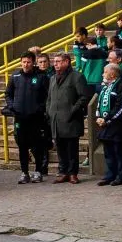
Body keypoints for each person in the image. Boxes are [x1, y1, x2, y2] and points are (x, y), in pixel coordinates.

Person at [3, 51, 50, 184]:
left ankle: (38, 171)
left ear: (33, 62)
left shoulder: (41, 76)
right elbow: (8, 94)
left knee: (37, 146)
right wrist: (12, 106)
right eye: (24, 62)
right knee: (22, 146)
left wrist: (40, 108)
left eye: (28, 62)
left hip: (36, 118)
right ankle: (24, 172)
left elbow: (48, 95)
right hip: (20, 118)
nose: (26, 64)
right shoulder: (15, 76)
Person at [46, 51, 91, 183]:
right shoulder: (53, 78)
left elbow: (84, 97)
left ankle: (73, 173)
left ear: (66, 62)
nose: (56, 64)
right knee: (60, 147)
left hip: (71, 119)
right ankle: (63, 171)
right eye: (54, 62)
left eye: (58, 62)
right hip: (56, 119)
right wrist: (49, 110)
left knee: (72, 148)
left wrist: (73, 110)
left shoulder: (77, 77)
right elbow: (49, 98)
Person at [93, 63, 122, 185]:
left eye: (105, 72)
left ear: (112, 74)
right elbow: (99, 104)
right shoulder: (105, 87)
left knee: (120, 151)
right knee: (108, 152)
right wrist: (99, 117)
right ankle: (110, 174)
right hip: (105, 126)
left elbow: (121, 106)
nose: (102, 74)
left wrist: (108, 119)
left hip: (118, 125)